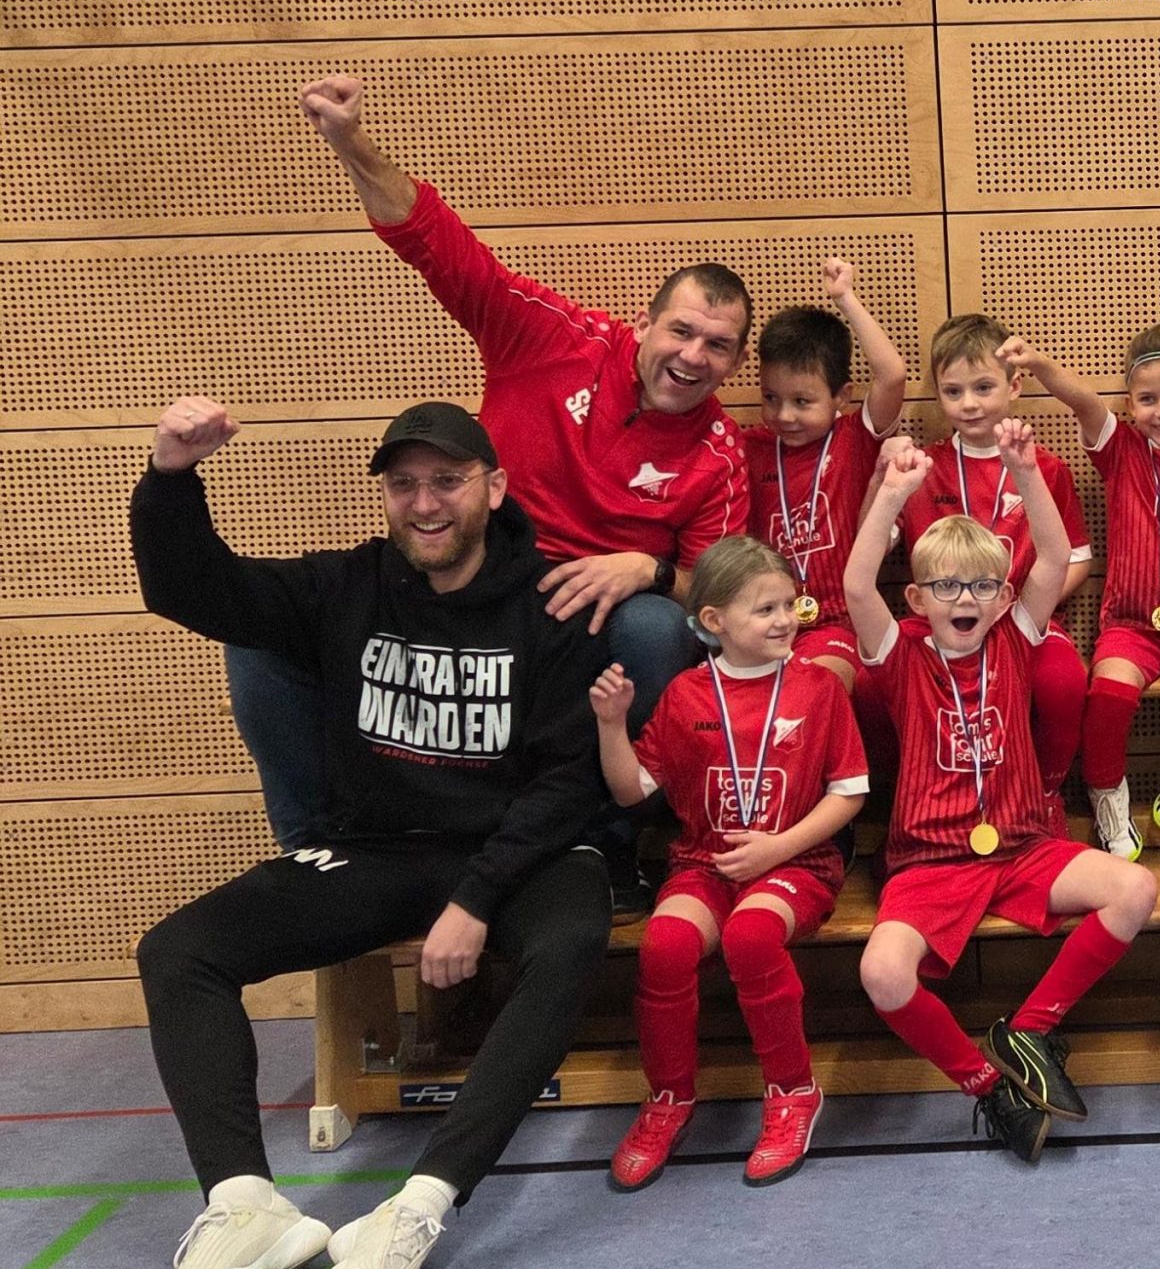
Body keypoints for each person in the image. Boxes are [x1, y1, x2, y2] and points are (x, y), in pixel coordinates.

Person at [132, 398, 612, 1269]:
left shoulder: (550, 605)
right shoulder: (345, 586)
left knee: (571, 942)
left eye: (446, 480)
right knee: (179, 949)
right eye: (403, 484)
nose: (424, 502)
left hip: (522, 851)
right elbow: (193, 588)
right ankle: (244, 1208)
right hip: (382, 848)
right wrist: (171, 477)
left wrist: (475, 901)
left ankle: (416, 1208)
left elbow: (568, 780)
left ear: (494, 487)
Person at [236, 74, 749, 853]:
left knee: (657, 626)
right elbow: (441, 247)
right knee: (263, 630)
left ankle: (599, 841)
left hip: (570, 622)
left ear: (735, 363)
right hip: (459, 576)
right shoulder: (553, 337)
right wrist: (352, 143)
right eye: (681, 330)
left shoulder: (719, 453)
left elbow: (718, 600)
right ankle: (316, 843)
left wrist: (645, 568)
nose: (692, 355)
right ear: (643, 322)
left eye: (717, 345)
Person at [846, 424, 1156, 1165]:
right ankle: (988, 1083)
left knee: (1136, 888)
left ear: (1002, 595)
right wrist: (892, 493)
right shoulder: (901, 654)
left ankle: (1030, 1029)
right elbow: (857, 583)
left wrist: (1024, 466)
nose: (966, 598)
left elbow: (1054, 555)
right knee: (881, 971)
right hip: (929, 860)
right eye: (947, 586)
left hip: (1021, 844)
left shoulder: (1016, 638)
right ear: (918, 595)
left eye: (983, 585)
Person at [591, 538, 869, 1192]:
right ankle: (668, 1099)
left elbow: (850, 792)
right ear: (713, 620)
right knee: (663, 944)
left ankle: (793, 1090)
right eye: (763, 609)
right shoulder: (688, 693)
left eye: (789, 604)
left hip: (797, 860)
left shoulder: (819, 686)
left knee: (750, 934)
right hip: (706, 862)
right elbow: (632, 789)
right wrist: (610, 724)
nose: (784, 620)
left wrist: (778, 847)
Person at [1012, 323, 1160, 859]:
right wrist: (1039, 363)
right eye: (1147, 399)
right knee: (1108, 697)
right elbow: (1082, 401)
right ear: (1130, 404)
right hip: (1130, 620)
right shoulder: (1121, 449)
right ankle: (1106, 795)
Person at [893, 317, 1093, 790]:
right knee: (869, 683)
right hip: (936, 626)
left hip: (1024, 622)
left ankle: (1045, 790)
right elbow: (877, 542)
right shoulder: (923, 467)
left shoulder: (1044, 467)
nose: (969, 403)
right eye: (953, 391)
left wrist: (1022, 609)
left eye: (983, 387)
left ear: (1015, 384)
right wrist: (884, 479)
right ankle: (904, 795)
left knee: (1062, 684)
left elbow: (1078, 557)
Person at [742, 261, 908, 700]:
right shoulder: (749, 447)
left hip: (837, 618)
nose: (785, 415)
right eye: (771, 398)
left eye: (802, 400)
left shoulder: (853, 438)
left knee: (816, 691)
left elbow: (892, 376)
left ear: (842, 396)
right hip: (758, 616)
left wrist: (845, 299)